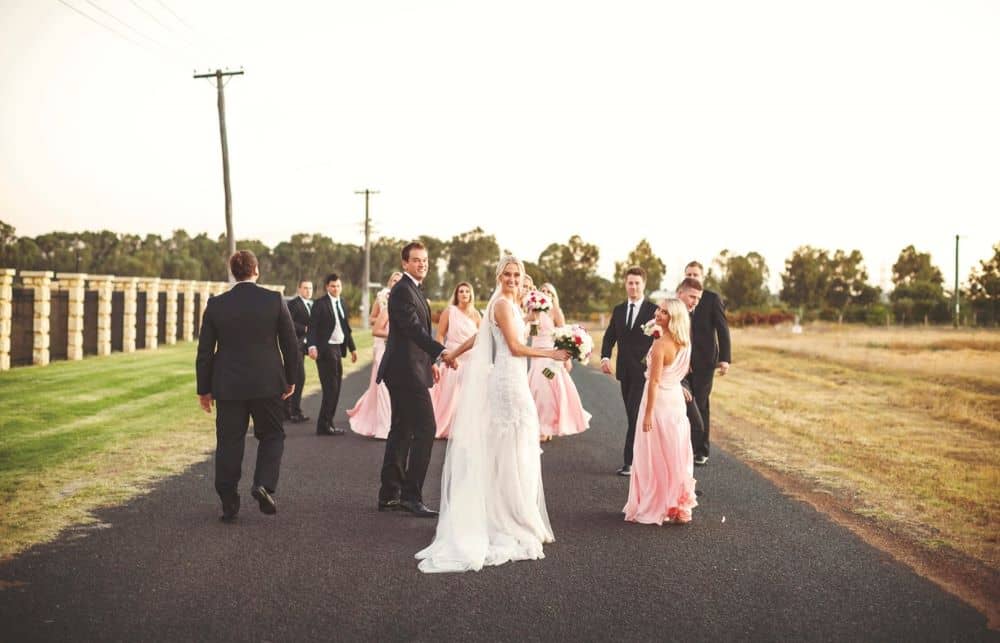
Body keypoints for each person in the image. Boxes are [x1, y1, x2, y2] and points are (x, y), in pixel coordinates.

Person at [415, 255, 570, 574]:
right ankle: (510, 516)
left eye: (517, 274)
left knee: (517, 447)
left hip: (514, 381)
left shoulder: (512, 305)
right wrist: (550, 353)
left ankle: (517, 511)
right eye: (507, 274)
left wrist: (452, 354)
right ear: (499, 276)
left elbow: (480, 336)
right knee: (514, 446)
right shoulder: (501, 304)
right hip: (508, 383)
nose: (512, 279)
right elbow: (513, 347)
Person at [195, 250, 298, 522]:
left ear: (233, 272)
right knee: (272, 436)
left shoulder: (216, 304)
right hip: (267, 383)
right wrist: (292, 378)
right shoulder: (274, 300)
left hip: (228, 386)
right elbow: (290, 344)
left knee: (229, 442)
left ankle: (229, 500)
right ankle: (263, 484)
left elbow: (205, 351)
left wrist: (203, 389)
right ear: (257, 270)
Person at [376, 242, 451, 517]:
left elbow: (417, 334)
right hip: (404, 372)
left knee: (401, 431)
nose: (422, 264)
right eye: (417, 260)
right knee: (426, 428)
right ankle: (411, 496)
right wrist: (441, 352)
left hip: (410, 368)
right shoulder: (401, 291)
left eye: (425, 260)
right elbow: (414, 330)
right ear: (405, 263)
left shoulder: (414, 290)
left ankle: (389, 494)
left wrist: (430, 361)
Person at [623, 298, 698, 525]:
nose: (658, 314)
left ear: (674, 318)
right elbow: (681, 372)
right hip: (675, 398)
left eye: (664, 312)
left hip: (659, 401)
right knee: (674, 450)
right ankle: (677, 504)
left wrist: (647, 414)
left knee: (653, 453)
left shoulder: (660, 344)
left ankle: (656, 503)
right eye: (659, 309)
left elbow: (654, 382)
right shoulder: (684, 343)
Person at [600, 267, 658, 476]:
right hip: (624, 372)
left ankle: (630, 462)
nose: (633, 287)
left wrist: (652, 364)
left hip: (646, 373)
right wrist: (605, 357)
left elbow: (659, 341)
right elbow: (609, 337)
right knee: (632, 415)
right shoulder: (619, 310)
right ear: (625, 284)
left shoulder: (655, 310)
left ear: (644, 285)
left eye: (637, 283)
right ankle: (646, 457)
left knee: (635, 415)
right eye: (630, 283)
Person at [526, 282, 591, 440]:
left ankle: (547, 428)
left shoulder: (556, 311)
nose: (546, 293)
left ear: (553, 296)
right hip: (537, 353)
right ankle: (541, 425)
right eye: (543, 290)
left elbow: (564, 334)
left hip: (552, 356)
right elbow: (533, 334)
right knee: (537, 389)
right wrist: (533, 319)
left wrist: (566, 358)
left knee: (546, 390)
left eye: (549, 291)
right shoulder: (533, 310)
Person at [683, 261, 732, 465]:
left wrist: (725, 359)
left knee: (700, 403)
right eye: (689, 274)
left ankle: (700, 450)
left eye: (696, 274)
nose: (693, 277)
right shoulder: (681, 299)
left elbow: (722, 329)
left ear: (702, 276)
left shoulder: (711, 299)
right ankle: (686, 447)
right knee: (685, 402)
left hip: (705, 361)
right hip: (682, 361)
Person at [347, 272, 402, 439]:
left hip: (400, 346)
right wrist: (382, 319)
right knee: (383, 384)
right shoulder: (381, 298)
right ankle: (384, 426)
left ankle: (396, 421)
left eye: (399, 280)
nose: (396, 282)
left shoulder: (406, 298)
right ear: (389, 282)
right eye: (393, 279)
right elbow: (372, 319)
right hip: (382, 343)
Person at [306, 273, 358, 437]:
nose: (336, 289)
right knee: (331, 388)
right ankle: (324, 425)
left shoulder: (341, 302)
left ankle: (328, 423)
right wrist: (311, 346)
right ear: (327, 287)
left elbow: (346, 328)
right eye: (333, 286)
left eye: (338, 286)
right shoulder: (320, 304)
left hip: (337, 349)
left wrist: (353, 348)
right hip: (325, 348)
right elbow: (312, 327)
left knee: (336, 389)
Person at [431, 282, 482, 439]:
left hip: (470, 360)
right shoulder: (450, 311)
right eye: (461, 291)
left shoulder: (477, 315)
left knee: (467, 397)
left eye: (467, 291)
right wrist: (443, 354)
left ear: (471, 294)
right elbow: (439, 334)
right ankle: (444, 426)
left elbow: (479, 339)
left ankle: (463, 428)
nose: (464, 294)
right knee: (450, 395)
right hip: (451, 358)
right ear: (456, 294)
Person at [284, 279, 313, 424]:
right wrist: (305, 329)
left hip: (305, 346)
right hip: (295, 346)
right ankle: (293, 412)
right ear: (299, 289)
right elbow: (288, 322)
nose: (308, 291)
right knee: (298, 378)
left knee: (296, 378)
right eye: (305, 288)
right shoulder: (294, 304)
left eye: (310, 288)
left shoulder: (312, 304)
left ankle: (289, 411)